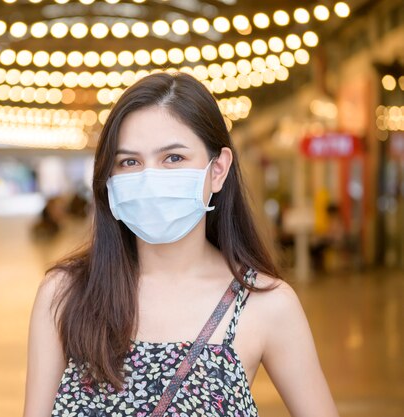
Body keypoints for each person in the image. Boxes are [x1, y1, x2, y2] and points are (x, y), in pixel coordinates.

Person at [23, 72, 339, 417]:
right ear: (109, 179)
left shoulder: (265, 303)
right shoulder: (65, 294)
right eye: (130, 162)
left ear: (217, 170)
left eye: (173, 158)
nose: (150, 177)